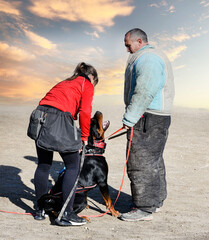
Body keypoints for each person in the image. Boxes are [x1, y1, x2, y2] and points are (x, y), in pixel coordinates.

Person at [33, 62, 98, 226]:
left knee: (43, 164)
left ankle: (41, 209)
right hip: (59, 119)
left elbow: (47, 100)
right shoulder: (86, 84)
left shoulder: (65, 82)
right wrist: (84, 136)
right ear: (92, 78)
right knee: (73, 166)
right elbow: (85, 111)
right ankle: (66, 213)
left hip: (40, 116)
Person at [120, 28, 175, 221]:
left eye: (128, 45)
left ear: (139, 41)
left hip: (147, 117)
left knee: (140, 161)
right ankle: (156, 201)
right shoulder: (151, 55)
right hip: (155, 116)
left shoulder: (148, 58)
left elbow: (144, 90)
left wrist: (129, 118)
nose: (127, 50)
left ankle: (144, 208)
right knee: (154, 160)